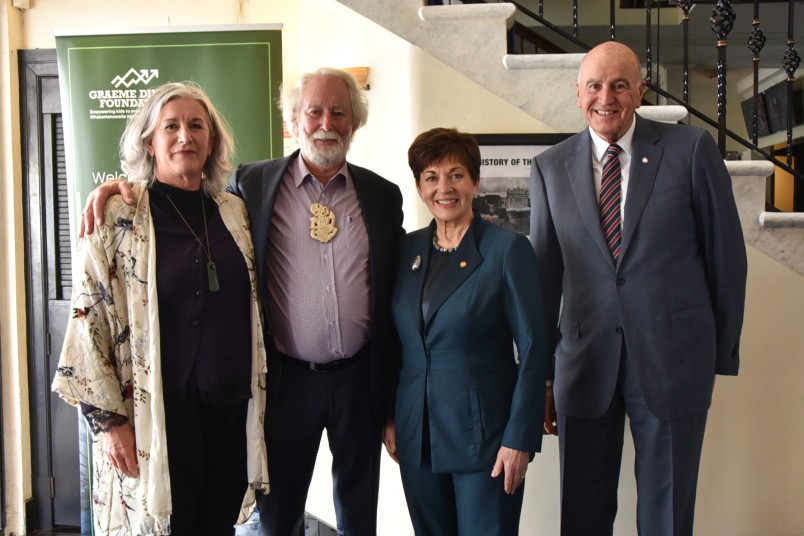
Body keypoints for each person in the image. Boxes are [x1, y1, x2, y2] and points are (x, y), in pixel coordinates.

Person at [80, 68, 404, 536]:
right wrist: (112, 186)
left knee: (357, 516)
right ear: (294, 119)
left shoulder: (376, 195)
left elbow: (393, 291)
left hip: (346, 384)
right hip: (279, 384)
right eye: (314, 111)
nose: (326, 122)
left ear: (356, 122)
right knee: (276, 520)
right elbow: (95, 314)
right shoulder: (252, 186)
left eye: (339, 112)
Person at [529, 41, 748, 535]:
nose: (606, 96)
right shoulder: (548, 168)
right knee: (582, 516)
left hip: (675, 364)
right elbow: (543, 281)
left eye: (619, 84)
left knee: (667, 518)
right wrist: (542, 377)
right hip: (582, 369)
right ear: (577, 92)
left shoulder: (690, 150)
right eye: (594, 85)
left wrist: (718, 353)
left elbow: (727, 260)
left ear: (640, 90)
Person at [52, 81, 269, 536]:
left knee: (217, 525)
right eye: (171, 127)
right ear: (149, 142)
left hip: (230, 409)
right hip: (157, 417)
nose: (185, 137)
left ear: (212, 141)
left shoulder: (236, 212)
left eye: (196, 126)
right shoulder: (117, 215)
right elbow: (88, 318)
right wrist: (109, 422)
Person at [383, 127, 548, 536]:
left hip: (487, 439)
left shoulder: (507, 251)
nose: (445, 188)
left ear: (475, 182)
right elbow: (391, 342)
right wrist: (389, 416)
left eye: (456, 175)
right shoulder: (405, 252)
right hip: (416, 436)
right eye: (431, 177)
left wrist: (520, 437)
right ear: (420, 188)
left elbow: (534, 346)